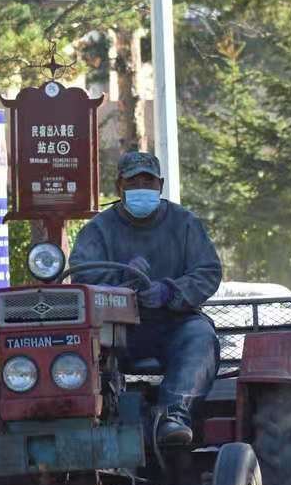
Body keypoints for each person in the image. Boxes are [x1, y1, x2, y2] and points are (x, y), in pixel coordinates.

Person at [70, 151, 223, 445]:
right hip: (117, 328)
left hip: (175, 321)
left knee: (201, 338)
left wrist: (171, 291)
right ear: (119, 187)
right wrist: (121, 280)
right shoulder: (98, 229)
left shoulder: (184, 223)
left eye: (148, 181)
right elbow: (81, 276)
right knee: (78, 347)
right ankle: (90, 416)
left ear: (160, 185)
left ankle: (173, 417)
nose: (141, 187)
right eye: (133, 182)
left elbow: (208, 271)